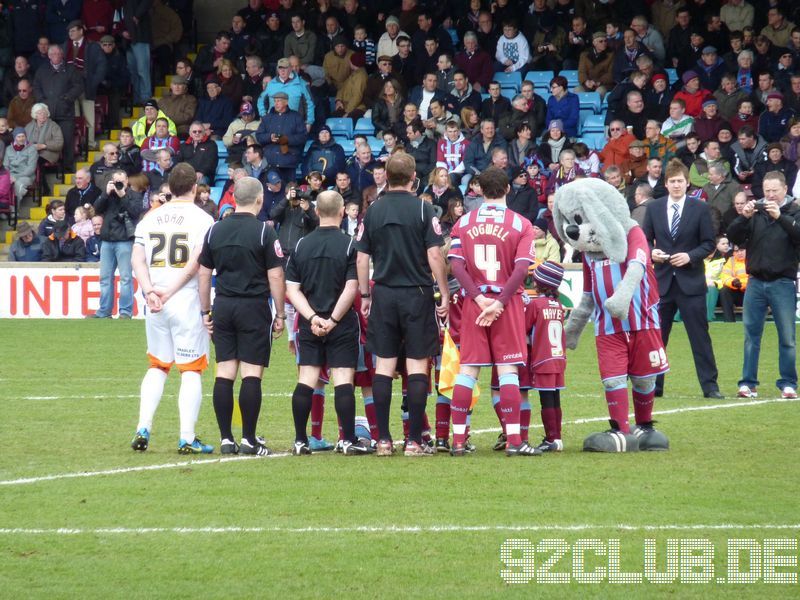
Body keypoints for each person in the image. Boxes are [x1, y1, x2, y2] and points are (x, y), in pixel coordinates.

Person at [355, 152, 448, 457]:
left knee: (383, 365)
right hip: (417, 292)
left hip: (383, 292)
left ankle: (383, 439)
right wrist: (443, 291)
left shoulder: (373, 211)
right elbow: (435, 255)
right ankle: (415, 441)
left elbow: (361, 257)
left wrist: (366, 296)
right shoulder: (423, 210)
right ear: (412, 178)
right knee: (417, 364)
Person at [447, 167, 537, 456]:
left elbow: (456, 265)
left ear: (478, 191)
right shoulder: (521, 223)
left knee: (467, 371)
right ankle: (514, 441)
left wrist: (478, 298)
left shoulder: (463, 222)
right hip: (506, 304)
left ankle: (458, 441)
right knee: (508, 370)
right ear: (508, 189)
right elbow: (522, 268)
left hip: (475, 305)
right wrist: (498, 303)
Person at [129, 163, 215, 454]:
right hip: (185, 299)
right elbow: (196, 262)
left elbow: (137, 260)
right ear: (195, 186)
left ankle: (143, 426)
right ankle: (187, 437)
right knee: (190, 369)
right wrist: (170, 290)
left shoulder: (150, 218)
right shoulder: (204, 220)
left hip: (155, 302)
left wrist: (149, 290)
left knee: (158, 365)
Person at [198, 177, 286, 456]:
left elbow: (204, 273)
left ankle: (226, 438)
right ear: (259, 200)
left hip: (223, 305)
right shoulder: (264, 232)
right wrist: (281, 313)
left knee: (225, 372)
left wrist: (205, 310)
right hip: (253, 307)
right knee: (251, 374)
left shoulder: (215, 230)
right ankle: (248, 438)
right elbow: (276, 274)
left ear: (233, 198)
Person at [285, 190, 373, 456]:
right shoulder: (349, 245)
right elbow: (351, 287)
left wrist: (312, 317)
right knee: (343, 379)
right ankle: (347, 440)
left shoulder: (302, 245)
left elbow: (292, 289)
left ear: (317, 212)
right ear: (342, 211)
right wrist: (332, 319)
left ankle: (301, 441)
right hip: (341, 322)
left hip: (310, 323)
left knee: (307, 379)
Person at [643, 159, 723, 399]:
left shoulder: (699, 208)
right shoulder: (654, 208)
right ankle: (654, 387)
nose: (676, 185)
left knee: (700, 338)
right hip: (663, 282)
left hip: (691, 283)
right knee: (657, 338)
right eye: (672, 181)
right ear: (666, 184)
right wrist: (651, 252)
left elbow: (709, 243)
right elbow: (644, 240)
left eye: (680, 181)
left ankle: (710, 387)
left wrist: (690, 256)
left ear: (688, 183)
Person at [727, 171, 800, 400]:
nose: (769, 195)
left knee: (787, 336)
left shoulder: (794, 211)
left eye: (774, 191)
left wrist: (781, 217)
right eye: (766, 191)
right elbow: (733, 236)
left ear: (785, 189)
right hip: (756, 282)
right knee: (751, 335)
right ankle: (748, 383)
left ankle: (788, 383)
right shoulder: (756, 212)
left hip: (783, 282)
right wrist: (743, 217)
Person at [89, 170, 143, 319]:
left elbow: (135, 212)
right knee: (105, 278)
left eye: (122, 181)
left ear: (127, 181)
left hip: (124, 241)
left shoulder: (134, 196)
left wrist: (123, 196)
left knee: (125, 278)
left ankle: (125, 312)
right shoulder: (108, 196)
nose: (119, 184)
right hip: (107, 241)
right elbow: (97, 209)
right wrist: (106, 193)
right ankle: (104, 311)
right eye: (116, 181)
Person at [32, 44, 82, 171]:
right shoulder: (42, 70)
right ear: (48, 56)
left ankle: (68, 168)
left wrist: (67, 98)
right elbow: (36, 87)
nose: (55, 56)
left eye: (57, 53)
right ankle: (47, 169)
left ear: (62, 55)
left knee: (67, 140)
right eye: (52, 54)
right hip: (47, 114)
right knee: (45, 141)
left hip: (65, 113)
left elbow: (78, 86)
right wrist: (41, 101)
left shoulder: (71, 69)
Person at [3, 127, 37, 199]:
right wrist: (8, 176)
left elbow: (31, 168)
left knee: (18, 185)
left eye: (23, 136)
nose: (21, 139)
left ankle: (14, 209)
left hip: (26, 176)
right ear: (15, 137)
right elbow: (5, 165)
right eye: (19, 137)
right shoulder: (9, 149)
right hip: (11, 175)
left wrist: (16, 177)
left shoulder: (32, 148)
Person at [718, 245, 748, 322]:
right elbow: (724, 276)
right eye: (736, 251)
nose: (739, 253)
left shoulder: (754, 259)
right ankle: (729, 321)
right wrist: (733, 282)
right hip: (738, 291)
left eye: (741, 250)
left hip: (751, 291)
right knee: (724, 290)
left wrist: (741, 284)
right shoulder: (731, 260)